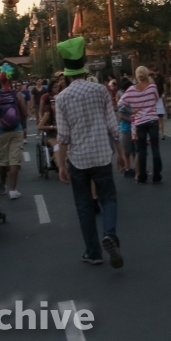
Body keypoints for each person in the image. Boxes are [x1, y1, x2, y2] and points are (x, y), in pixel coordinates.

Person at [55, 36, 126, 268]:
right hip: (101, 154)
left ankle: (93, 252)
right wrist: (121, 152)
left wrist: (61, 164)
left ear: (66, 72)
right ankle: (110, 234)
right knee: (109, 197)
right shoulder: (100, 91)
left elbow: (63, 136)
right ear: (85, 65)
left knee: (84, 205)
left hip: (78, 158)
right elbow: (112, 125)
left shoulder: (62, 98)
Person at [118, 66, 162, 184]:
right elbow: (156, 99)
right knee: (155, 147)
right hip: (152, 119)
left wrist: (131, 111)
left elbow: (120, 103)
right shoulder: (152, 87)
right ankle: (157, 174)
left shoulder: (131, 89)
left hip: (140, 121)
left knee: (141, 149)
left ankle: (142, 175)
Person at [0, 75, 24, 198]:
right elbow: (24, 111)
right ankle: (13, 190)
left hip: (0, 131)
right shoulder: (17, 94)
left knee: (3, 161)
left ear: (0, 81)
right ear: (11, 80)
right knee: (14, 161)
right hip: (16, 129)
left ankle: (3, 185)